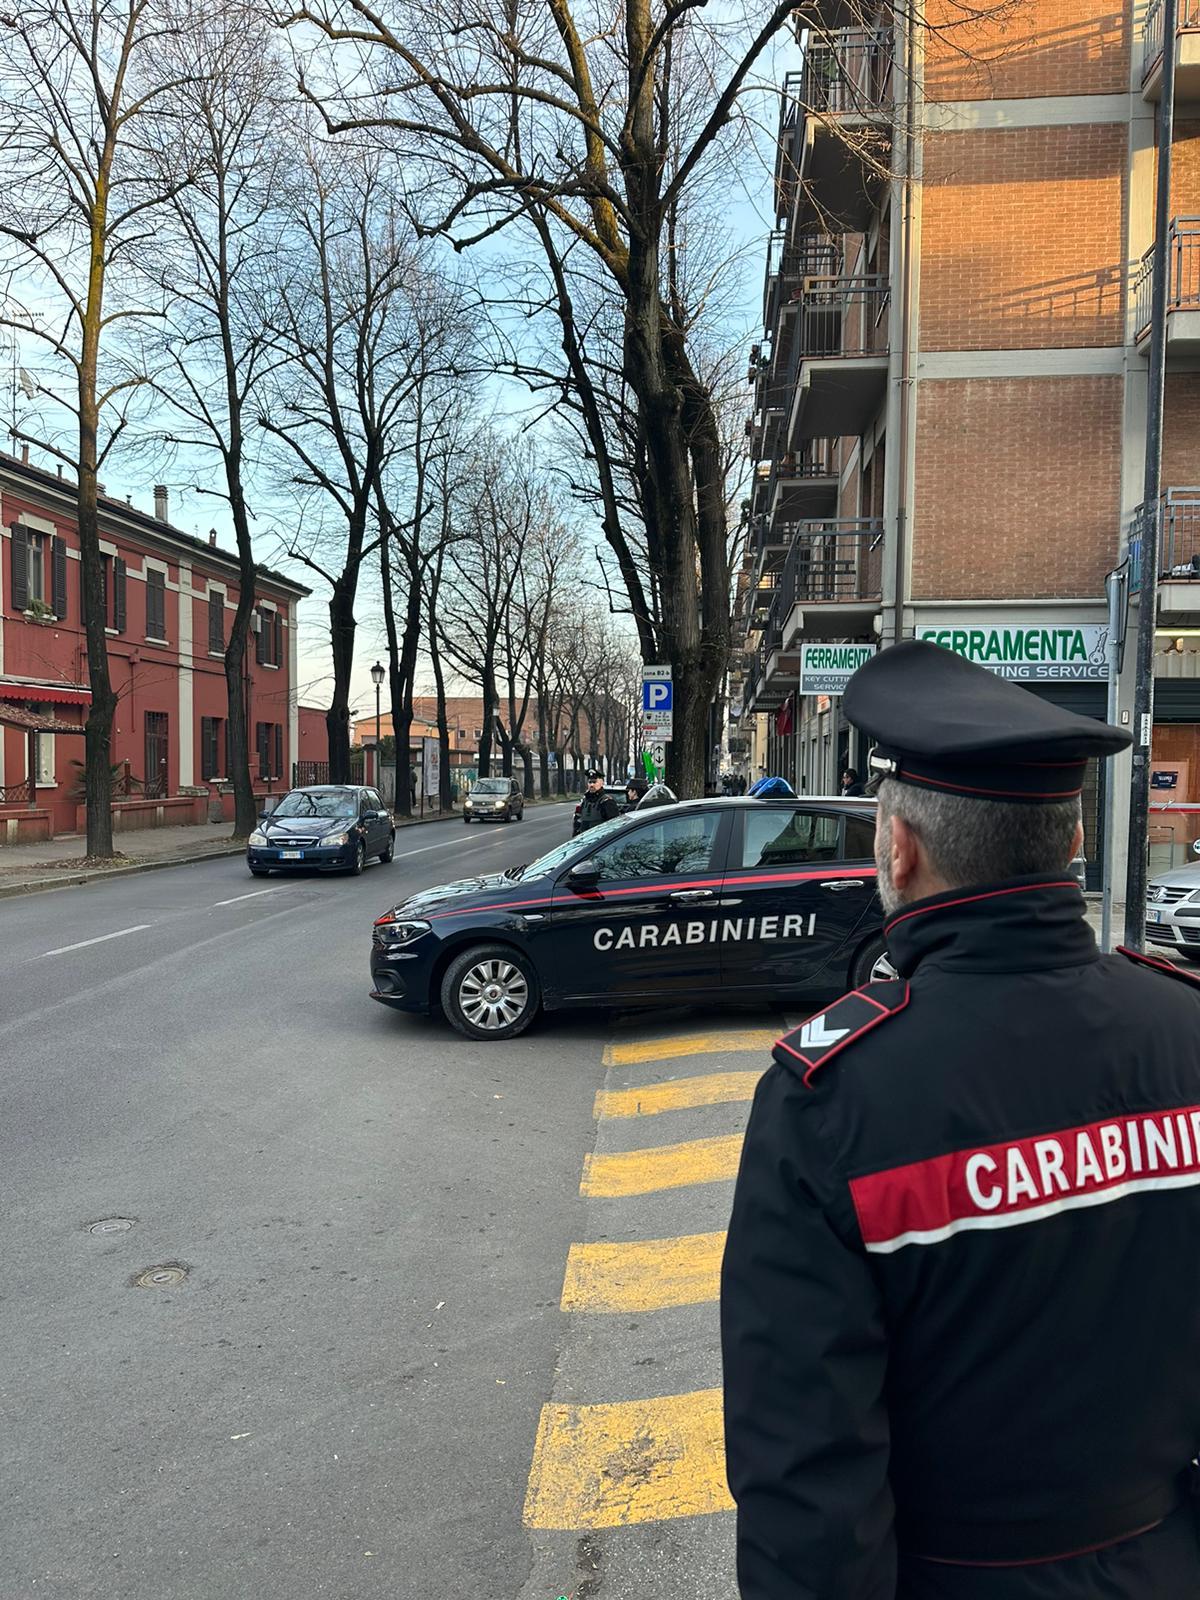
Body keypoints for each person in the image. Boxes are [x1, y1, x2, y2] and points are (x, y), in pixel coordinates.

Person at [721, 639, 1200, 1599]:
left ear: (899, 849)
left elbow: (806, 1479)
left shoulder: (832, 1097)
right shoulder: (1186, 1029)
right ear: (1068, 843)